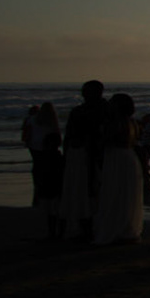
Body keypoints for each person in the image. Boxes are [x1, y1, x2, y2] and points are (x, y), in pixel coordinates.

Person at [57, 80, 108, 241]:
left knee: (90, 190)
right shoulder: (81, 111)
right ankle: (85, 225)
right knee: (82, 190)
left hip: (93, 155)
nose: (83, 94)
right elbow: (69, 135)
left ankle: (90, 225)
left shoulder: (101, 110)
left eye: (86, 91)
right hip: (80, 155)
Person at [93, 94, 145, 244]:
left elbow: (106, 141)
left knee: (113, 192)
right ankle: (126, 228)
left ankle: (114, 228)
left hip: (115, 157)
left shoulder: (114, 123)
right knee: (127, 193)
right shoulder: (133, 123)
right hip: (128, 157)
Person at [22, 102, 64, 237]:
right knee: (54, 189)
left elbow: (26, 136)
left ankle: (40, 199)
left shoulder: (32, 120)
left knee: (40, 177)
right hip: (50, 156)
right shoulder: (52, 122)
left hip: (37, 152)